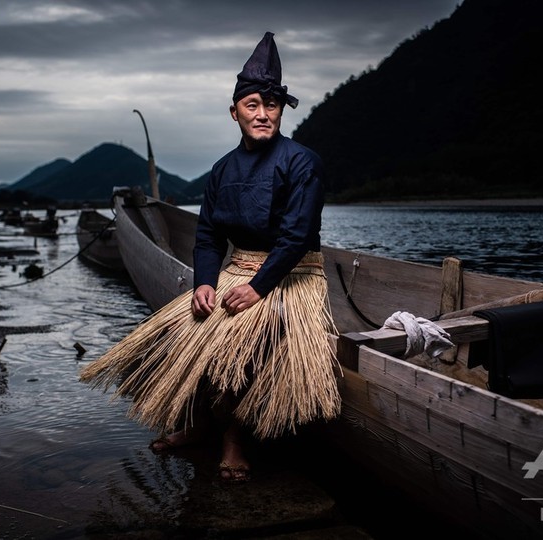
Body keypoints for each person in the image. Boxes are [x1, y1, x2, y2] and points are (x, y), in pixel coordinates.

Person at [79, 31, 341, 484]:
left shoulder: (303, 163)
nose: (263, 114)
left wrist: (258, 289)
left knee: (243, 338)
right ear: (234, 112)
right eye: (252, 105)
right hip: (235, 270)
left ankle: (235, 440)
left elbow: (296, 237)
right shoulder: (222, 171)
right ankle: (198, 423)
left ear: (281, 110)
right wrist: (203, 282)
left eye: (271, 105)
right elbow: (207, 236)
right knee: (189, 327)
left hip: (291, 277)